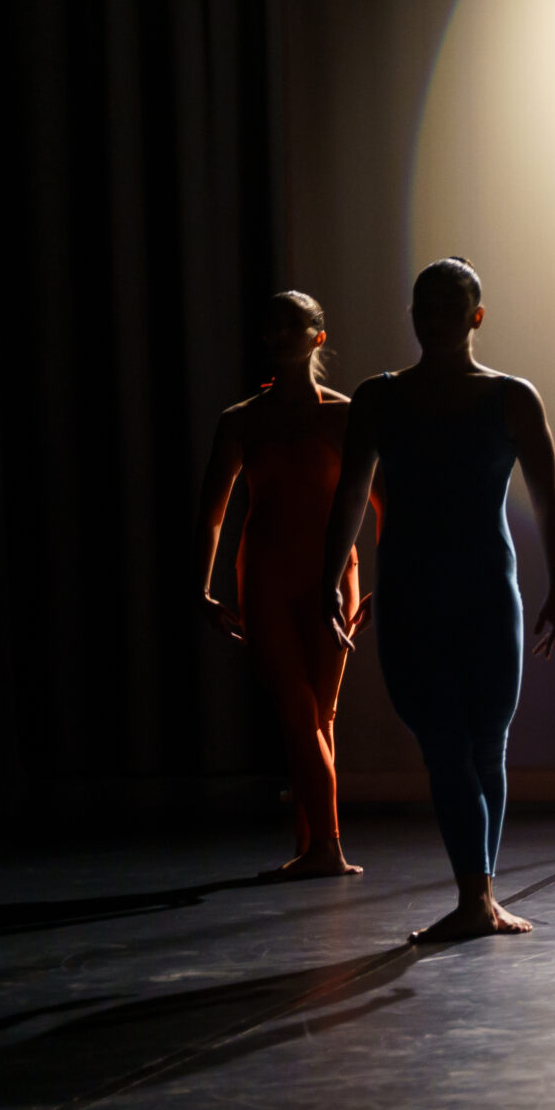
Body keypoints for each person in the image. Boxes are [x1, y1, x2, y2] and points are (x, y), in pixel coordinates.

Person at [322, 258, 555, 943]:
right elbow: (350, 496)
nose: (433, 319)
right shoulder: (378, 398)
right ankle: (475, 897)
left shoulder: (512, 398)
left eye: (448, 307)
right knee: (444, 743)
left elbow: (548, 498)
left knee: (487, 744)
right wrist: (328, 577)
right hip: (412, 593)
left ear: (475, 317)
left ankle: (478, 897)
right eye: (422, 306)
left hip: (488, 593)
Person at [195, 292, 365, 878]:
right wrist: (201, 587)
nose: (282, 333)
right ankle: (325, 849)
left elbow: (385, 503)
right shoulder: (241, 421)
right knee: (299, 712)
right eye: (273, 325)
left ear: (319, 336)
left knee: (321, 714)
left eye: (295, 324)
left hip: (332, 575)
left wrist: (389, 582)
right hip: (266, 575)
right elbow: (212, 513)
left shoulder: (345, 415)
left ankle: (313, 846)